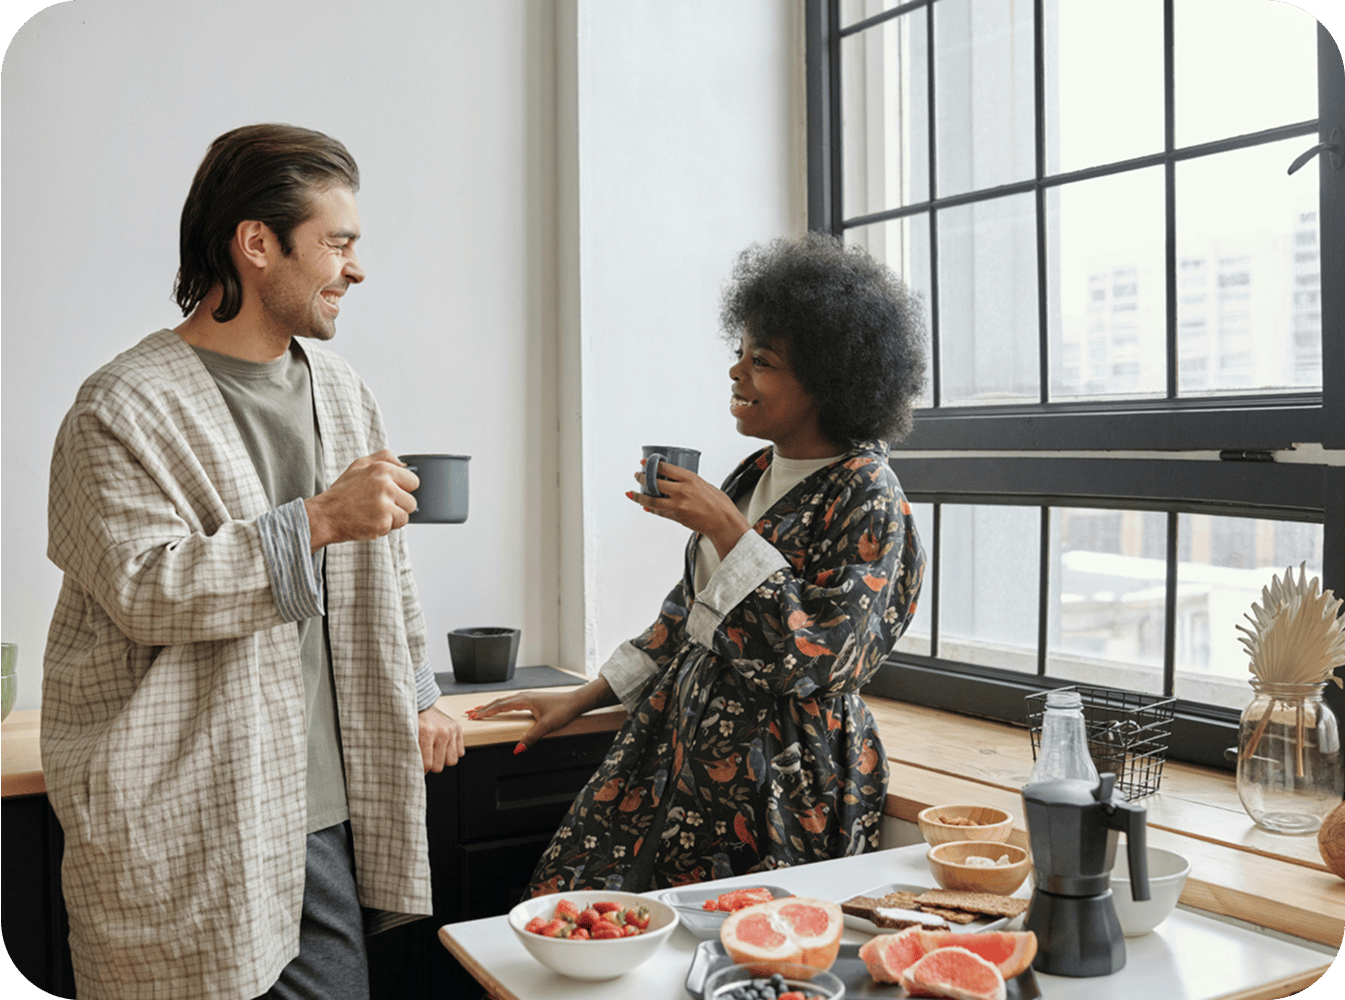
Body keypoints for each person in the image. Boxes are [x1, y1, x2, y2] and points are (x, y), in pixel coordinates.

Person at [41, 124, 463, 1000]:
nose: (356, 268)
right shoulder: (120, 408)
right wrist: (311, 521)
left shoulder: (341, 389)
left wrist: (419, 692)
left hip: (321, 810)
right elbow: (144, 590)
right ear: (257, 243)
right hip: (192, 816)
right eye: (337, 243)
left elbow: (387, 568)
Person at [471, 231, 927, 892]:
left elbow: (825, 653)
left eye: (761, 360)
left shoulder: (866, 493)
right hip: (679, 747)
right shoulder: (754, 471)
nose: (737, 372)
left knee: (735, 958)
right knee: (572, 900)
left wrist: (725, 527)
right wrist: (581, 699)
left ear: (828, 378)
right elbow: (690, 616)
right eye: (738, 353)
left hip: (782, 772)